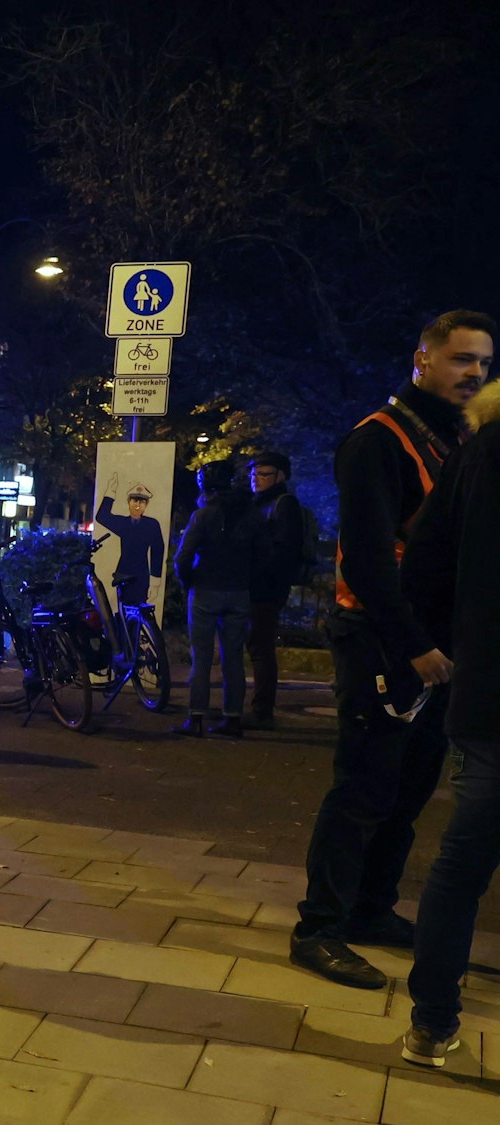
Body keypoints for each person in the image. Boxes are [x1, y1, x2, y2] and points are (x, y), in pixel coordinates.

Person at [292, 308, 493, 991]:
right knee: (363, 787)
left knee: (408, 791)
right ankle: (318, 927)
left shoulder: (460, 440)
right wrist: (414, 645)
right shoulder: (377, 440)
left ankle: (370, 908)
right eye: (462, 358)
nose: (475, 373)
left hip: (437, 645)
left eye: (484, 362)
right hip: (382, 641)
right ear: (422, 360)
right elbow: (368, 561)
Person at [397, 379, 500, 1067]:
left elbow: (425, 558)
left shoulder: (482, 450)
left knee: (463, 863)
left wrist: (454, 644)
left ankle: (432, 1024)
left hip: (490, 690)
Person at [173, 461, 261, 737]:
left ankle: (196, 718)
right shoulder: (252, 515)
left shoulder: (203, 515)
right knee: (233, 657)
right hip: (239, 591)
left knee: (201, 657)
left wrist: (188, 581)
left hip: (205, 590)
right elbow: (263, 556)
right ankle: (232, 718)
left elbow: (183, 558)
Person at [246, 452, 307, 729]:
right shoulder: (261, 503)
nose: (255, 479)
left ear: (280, 476)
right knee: (257, 645)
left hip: (267, 588)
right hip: (259, 585)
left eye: (263, 474)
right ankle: (258, 709)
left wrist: (261, 574)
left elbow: (283, 551)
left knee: (261, 647)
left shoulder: (284, 504)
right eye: (253, 474)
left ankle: (262, 712)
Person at [95, 482, 165, 611]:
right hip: (123, 573)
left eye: (142, 502)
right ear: (128, 502)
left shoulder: (151, 525)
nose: (137, 505)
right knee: (123, 611)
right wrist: (110, 492)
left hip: (141, 576)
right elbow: (102, 517)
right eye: (134, 501)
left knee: (140, 614)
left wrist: (155, 582)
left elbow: (158, 551)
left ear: (146, 505)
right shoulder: (123, 523)